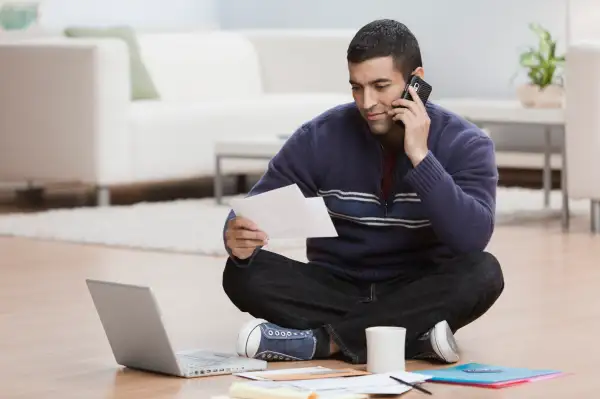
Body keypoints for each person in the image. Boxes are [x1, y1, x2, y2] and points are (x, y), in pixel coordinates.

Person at [221, 19, 504, 366]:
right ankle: (411, 336)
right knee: (242, 272)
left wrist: (421, 157)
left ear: (415, 79)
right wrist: (236, 234)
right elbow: (253, 209)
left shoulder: (466, 143)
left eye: (381, 86)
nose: (367, 103)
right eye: (357, 87)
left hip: (417, 287)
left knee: (484, 273)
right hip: (336, 285)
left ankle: (326, 342)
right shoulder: (320, 136)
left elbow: (471, 239)